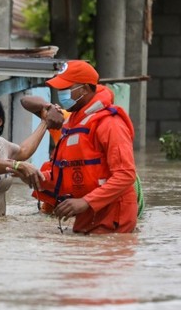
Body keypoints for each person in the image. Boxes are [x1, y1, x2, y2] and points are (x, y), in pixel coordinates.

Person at [38, 60, 138, 234]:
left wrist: (86, 201)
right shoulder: (71, 122)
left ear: (84, 89)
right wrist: (34, 175)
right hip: (87, 215)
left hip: (112, 216)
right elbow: (67, 171)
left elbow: (125, 174)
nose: (61, 94)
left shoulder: (110, 123)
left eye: (65, 89)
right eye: (59, 89)